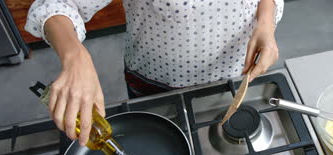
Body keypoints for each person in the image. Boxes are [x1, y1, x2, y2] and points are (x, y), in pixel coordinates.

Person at [25, 0, 284, 146]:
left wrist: (266, 22)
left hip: (235, 74)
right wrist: (74, 56)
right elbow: (56, 5)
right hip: (157, 83)